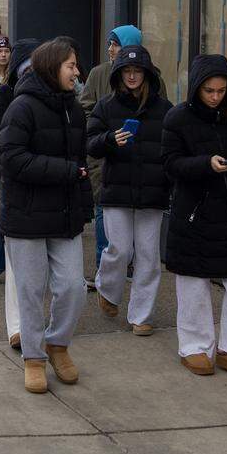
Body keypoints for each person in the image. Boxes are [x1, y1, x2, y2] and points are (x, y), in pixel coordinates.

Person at [0, 37, 93, 394]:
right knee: (31, 291)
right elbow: (12, 159)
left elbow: (80, 165)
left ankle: (58, 343)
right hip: (25, 217)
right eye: (71, 65)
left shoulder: (75, 109)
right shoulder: (21, 107)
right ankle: (34, 359)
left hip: (64, 216)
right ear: (53, 67)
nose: (76, 71)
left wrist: (84, 206)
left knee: (73, 288)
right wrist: (64, 171)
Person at [162, 54, 227, 380]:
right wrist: (206, 164)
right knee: (193, 279)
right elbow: (171, 164)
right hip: (195, 210)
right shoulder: (177, 119)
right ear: (196, 89)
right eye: (209, 91)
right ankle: (195, 346)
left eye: (220, 90)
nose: (216, 96)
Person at [86, 44, 172, 336]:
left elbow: (175, 147)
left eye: (137, 71)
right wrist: (110, 139)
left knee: (148, 255)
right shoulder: (106, 106)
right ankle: (108, 289)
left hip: (153, 191)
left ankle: (141, 315)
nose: (132, 76)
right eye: (127, 71)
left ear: (147, 74)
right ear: (118, 74)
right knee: (119, 249)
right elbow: (90, 142)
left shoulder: (164, 109)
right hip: (117, 190)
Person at [80, 24, 142, 273]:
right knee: (104, 211)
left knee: (136, 215)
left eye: (115, 44)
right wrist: (100, 130)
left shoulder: (150, 75)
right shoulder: (98, 74)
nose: (110, 49)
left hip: (138, 157)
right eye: (109, 44)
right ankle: (102, 268)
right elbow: (84, 108)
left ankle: (128, 264)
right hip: (105, 155)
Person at [0, 39, 39, 298]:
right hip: (2, 166)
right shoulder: (3, 93)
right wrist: (4, 148)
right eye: (27, 68)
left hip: (33, 169)